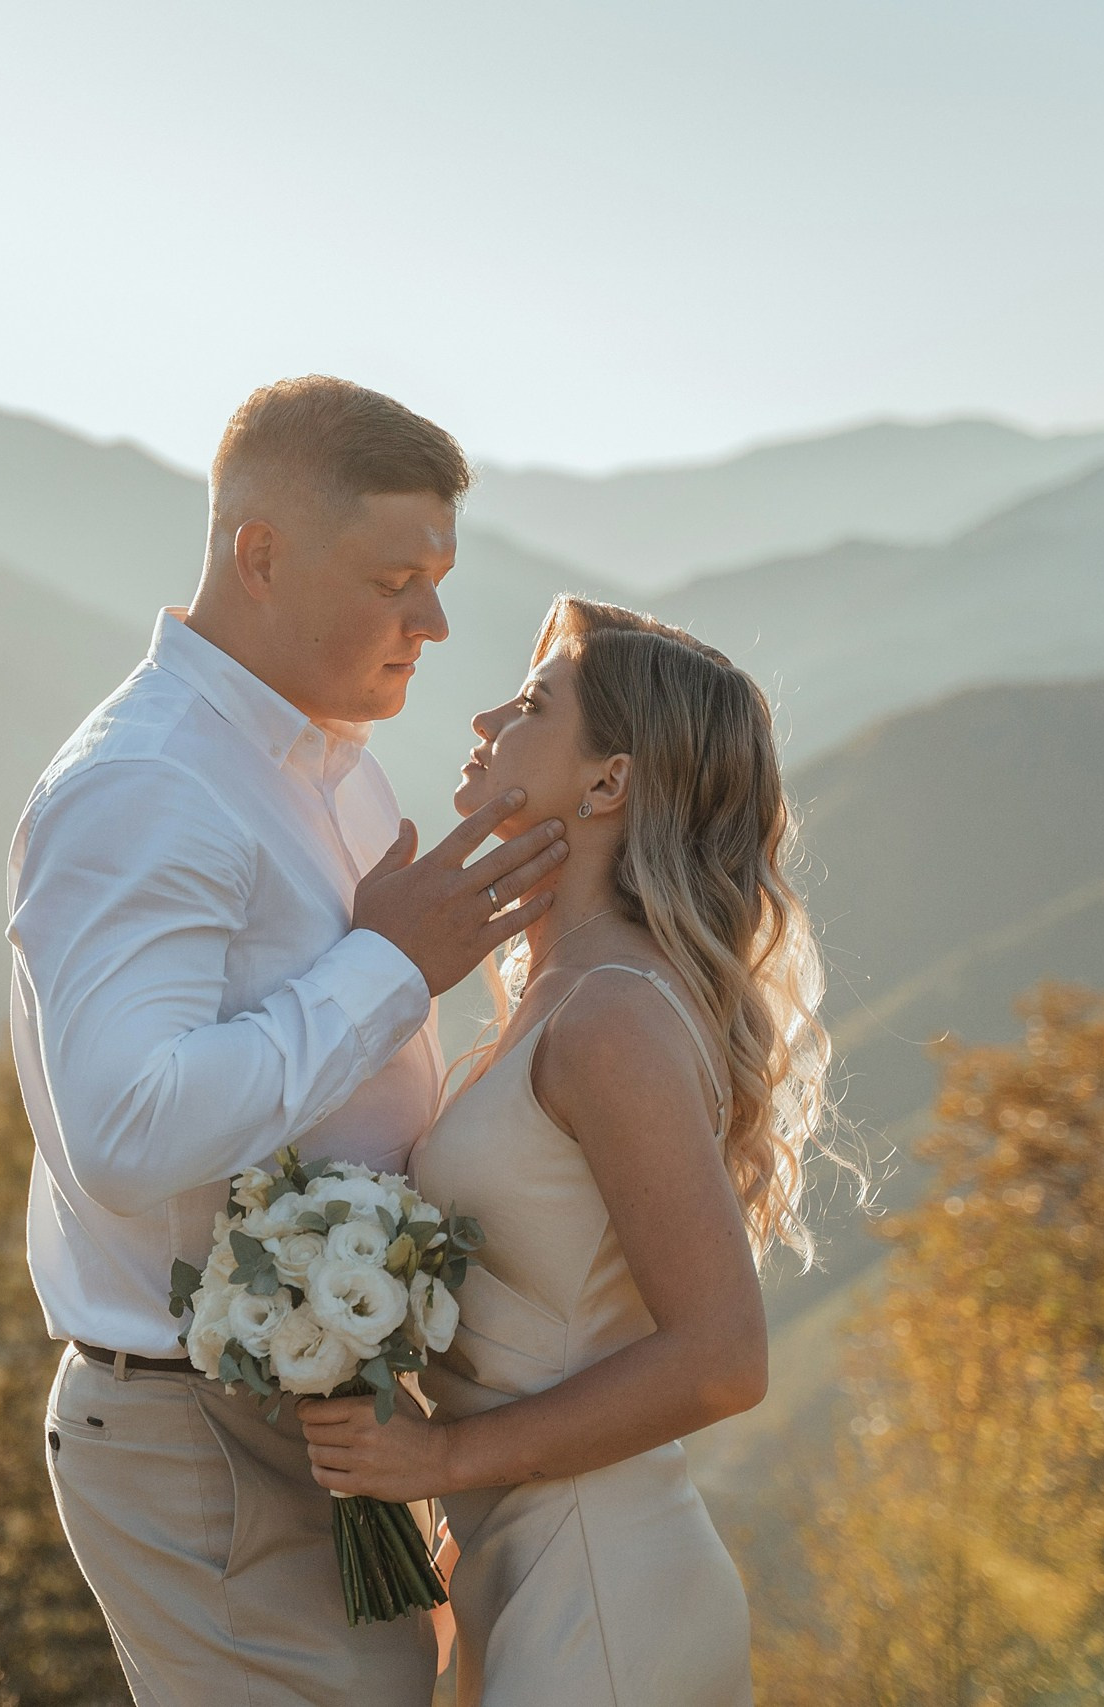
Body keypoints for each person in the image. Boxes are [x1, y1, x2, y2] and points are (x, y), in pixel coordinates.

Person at [7, 376, 569, 1702]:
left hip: (315, 1410)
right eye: (394, 576)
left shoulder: (331, 764)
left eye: (438, 576)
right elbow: (125, 1130)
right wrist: (390, 963)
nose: (432, 620)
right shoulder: (146, 782)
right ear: (257, 553)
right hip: (193, 1430)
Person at [298, 596, 838, 1706]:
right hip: (530, 1566)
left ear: (607, 784)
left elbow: (723, 1357)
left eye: (535, 703)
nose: (490, 712)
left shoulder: (609, 1019)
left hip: (604, 1591)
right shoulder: (556, 1000)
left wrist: (441, 1461)